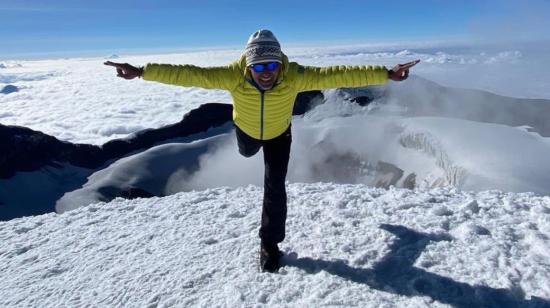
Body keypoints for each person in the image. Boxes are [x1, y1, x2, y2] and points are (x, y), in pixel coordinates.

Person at [105, 29, 419, 272]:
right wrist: (142, 71)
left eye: (271, 64)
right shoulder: (231, 76)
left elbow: (338, 74)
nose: (266, 72)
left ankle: (269, 245)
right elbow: (189, 73)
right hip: (246, 132)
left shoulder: (294, 75)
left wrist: (386, 74)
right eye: (259, 66)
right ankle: (246, 146)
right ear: (248, 66)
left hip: (280, 135)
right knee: (245, 152)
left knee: (275, 186)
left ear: (279, 63)